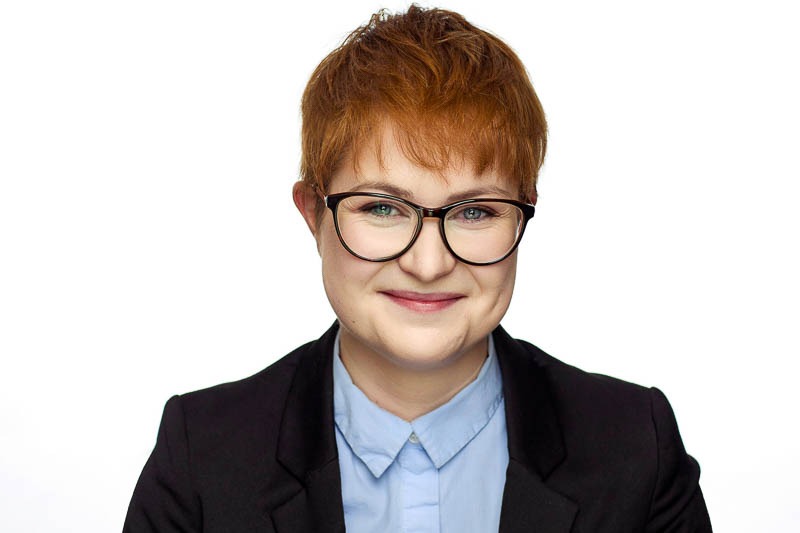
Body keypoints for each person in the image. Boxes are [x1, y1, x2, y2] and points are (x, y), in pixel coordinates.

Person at [124, 5, 711, 532]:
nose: (429, 263)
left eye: (477, 210)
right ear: (312, 215)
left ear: (524, 215)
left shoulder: (638, 447)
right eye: (382, 207)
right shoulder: (201, 455)